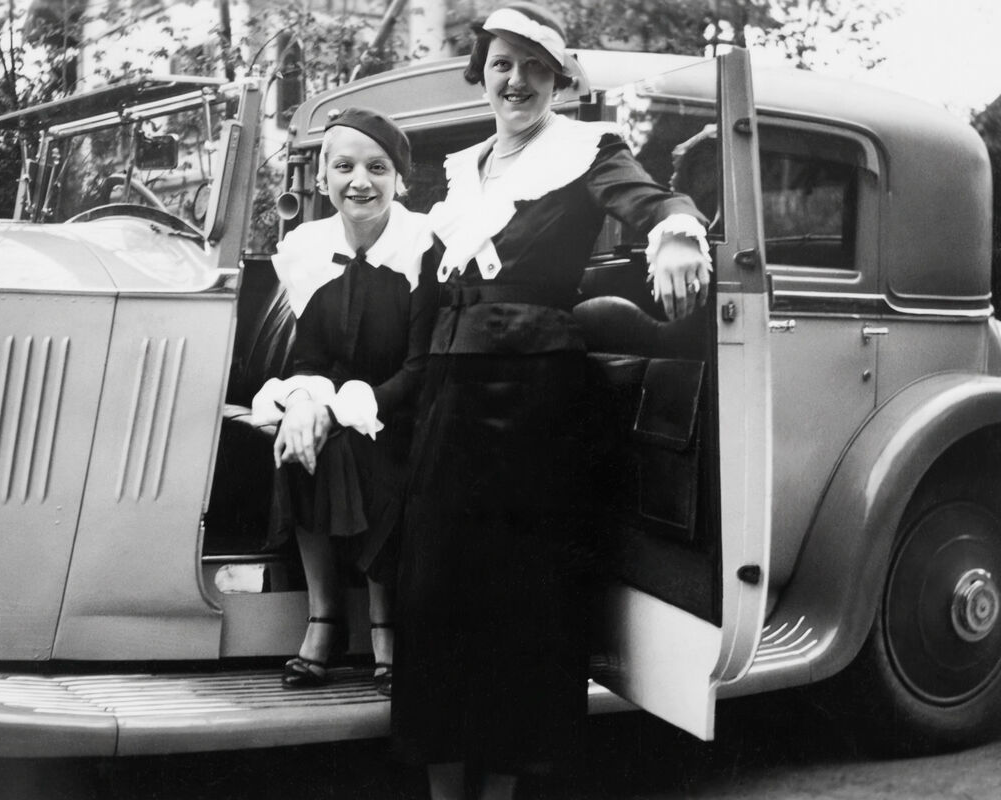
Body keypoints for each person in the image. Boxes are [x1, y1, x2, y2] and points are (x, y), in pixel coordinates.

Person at [389, 4, 711, 798]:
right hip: (448, 400)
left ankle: (501, 791)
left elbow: (651, 202)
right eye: (503, 63)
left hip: (533, 402)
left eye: (535, 67)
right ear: (482, 73)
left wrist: (677, 233)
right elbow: (428, 288)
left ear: (558, 80)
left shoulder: (587, 149)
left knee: (521, 597)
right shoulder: (462, 172)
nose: (517, 81)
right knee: (434, 594)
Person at [252, 108, 438, 696]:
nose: (360, 181)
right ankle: (324, 618)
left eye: (377, 168)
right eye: (344, 167)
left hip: (410, 407)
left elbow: (421, 368)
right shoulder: (307, 248)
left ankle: (386, 626)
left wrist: (337, 412)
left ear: (399, 180)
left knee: (366, 453)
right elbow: (309, 359)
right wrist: (305, 404)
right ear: (323, 177)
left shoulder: (425, 245)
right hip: (341, 403)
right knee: (297, 443)